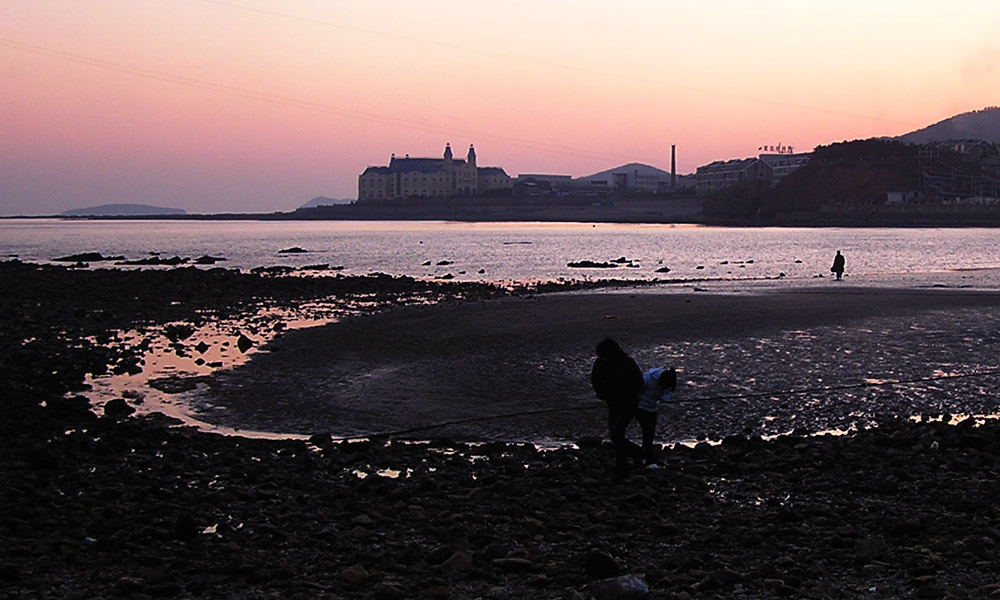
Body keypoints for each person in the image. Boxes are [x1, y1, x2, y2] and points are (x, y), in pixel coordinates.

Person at [590, 338, 644, 482]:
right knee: (615, 436)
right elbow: (595, 380)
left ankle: (622, 469)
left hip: (628, 404)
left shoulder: (628, 363)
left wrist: (627, 395)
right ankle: (636, 453)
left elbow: (639, 384)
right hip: (613, 403)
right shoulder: (600, 363)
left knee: (617, 434)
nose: (603, 359)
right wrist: (602, 394)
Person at [636, 367, 677, 467]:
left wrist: (665, 398)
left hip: (652, 408)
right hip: (640, 406)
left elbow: (669, 391)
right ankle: (649, 458)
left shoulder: (670, 381)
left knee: (650, 433)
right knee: (648, 431)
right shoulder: (647, 379)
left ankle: (646, 456)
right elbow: (636, 390)